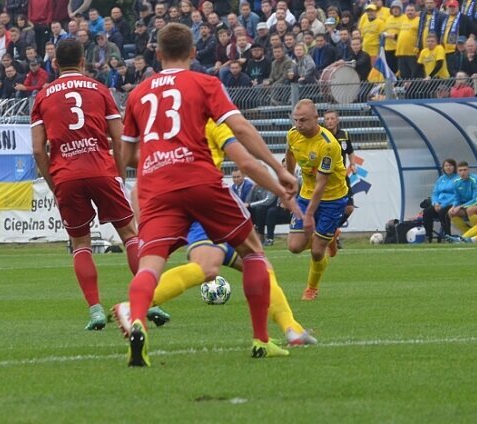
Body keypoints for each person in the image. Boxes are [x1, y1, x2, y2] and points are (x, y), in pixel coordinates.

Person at [118, 23, 299, 366]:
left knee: (150, 264)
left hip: (156, 185)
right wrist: (279, 170)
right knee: (254, 252)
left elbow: (125, 157)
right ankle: (262, 339)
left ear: (157, 54)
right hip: (199, 178)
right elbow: (240, 128)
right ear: (192, 53)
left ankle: (139, 319)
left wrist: (158, 154)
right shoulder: (205, 82)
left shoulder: (138, 93)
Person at [112, 118, 316, 348]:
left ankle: (291, 329)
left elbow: (138, 177)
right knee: (213, 266)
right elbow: (245, 159)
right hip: (209, 206)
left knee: (259, 265)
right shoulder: (208, 121)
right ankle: (135, 306)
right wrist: (280, 184)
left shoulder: (165, 131)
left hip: (198, 205)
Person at [30, 39, 149, 331]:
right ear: (84, 61)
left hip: (66, 176)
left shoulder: (43, 97)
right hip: (100, 170)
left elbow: (37, 149)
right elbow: (120, 138)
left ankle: (96, 310)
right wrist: (118, 175)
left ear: (55, 64)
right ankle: (149, 302)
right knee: (129, 234)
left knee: (80, 243)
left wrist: (54, 182)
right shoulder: (100, 89)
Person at [285, 99, 350, 301]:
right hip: (306, 195)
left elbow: (321, 184)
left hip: (332, 198)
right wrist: (289, 186)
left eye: (303, 120)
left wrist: (309, 216)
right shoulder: (293, 135)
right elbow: (289, 155)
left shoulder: (328, 144)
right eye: (296, 120)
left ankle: (311, 288)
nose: (299, 124)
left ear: (316, 118)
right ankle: (328, 236)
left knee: (315, 252)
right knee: (294, 247)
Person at [322, 109, 356, 252]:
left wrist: (352, 164)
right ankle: (326, 236)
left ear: (337, 120)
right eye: (327, 119)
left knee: (349, 207)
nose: (329, 121)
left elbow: (350, 151)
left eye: (332, 118)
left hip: (341, 176)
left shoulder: (344, 135)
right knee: (325, 208)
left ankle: (333, 231)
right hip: (325, 177)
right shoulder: (321, 136)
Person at [447, 162, 477, 239]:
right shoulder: (456, 182)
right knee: (451, 213)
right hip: (469, 205)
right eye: (460, 170)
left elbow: (476, 200)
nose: (463, 172)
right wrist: (453, 207)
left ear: (469, 170)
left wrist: (460, 207)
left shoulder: (475, 179)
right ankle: (467, 236)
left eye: (465, 170)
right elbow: (457, 199)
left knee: (470, 210)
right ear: (457, 172)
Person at [422, 158, 458, 242]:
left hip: (452, 203)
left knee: (443, 212)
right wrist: (435, 203)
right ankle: (428, 236)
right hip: (439, 204)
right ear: (443, 168)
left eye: (450, 165)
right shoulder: (441, 179)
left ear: (454, 167)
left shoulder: (458, 179)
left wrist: (443, 205)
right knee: (427, 212)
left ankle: (448, 236)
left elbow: (457, 195)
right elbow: (435, 193)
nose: (448, 167)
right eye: (446, 166)